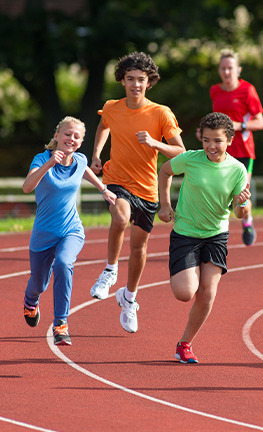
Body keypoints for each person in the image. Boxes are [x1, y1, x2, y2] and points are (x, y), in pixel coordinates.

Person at [89, 52, 185, 333]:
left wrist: (156, 143)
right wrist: (96, 154)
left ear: (149, 83)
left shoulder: (160, 113)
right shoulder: (112, 107)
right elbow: (103, 125)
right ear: (122, 81)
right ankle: (109, 271)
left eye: (140, 80)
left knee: (139, 248)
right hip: (117, 180)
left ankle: (129, 297)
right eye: (130, 79)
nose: (135, 85)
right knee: (119, 217)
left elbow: (181, 151)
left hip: (148, 189)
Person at [158, 112, 251, 363]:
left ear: (229, 141)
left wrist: (243, 205)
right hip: (186, 233)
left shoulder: (237, 170)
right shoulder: (189, 159)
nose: (211, 146)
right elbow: (165, 172)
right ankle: (189, 273)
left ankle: (185, 344)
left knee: (207, 293)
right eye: (207, 140)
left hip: (216, 235)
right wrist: (165, 204)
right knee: (185, 292)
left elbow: (240, 213)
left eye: (218, 141)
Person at [22, 117, 117, 346]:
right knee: (39, 283)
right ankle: (30, 300)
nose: (71, 139)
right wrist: (49, 165)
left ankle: (61, 324)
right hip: (44, 233)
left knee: (64, 263)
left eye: (77, 137)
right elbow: (27, 187)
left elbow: (84, 170)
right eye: (67, 134)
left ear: (81, 142)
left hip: (71, 230)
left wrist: (103, 189)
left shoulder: (80, 160)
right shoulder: (42, 159)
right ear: (57, 135)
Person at [208, 49, 263, 246]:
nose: (226, 72)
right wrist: (206, 133)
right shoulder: (215, 90)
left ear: (238, 70)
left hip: (243, 151)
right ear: (219, 71)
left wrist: (238, 126)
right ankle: (215, 234)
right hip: (220, 151)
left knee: (240, 194)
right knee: (217, 192)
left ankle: (247, 221)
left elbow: (260, 122)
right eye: (223, 68)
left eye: (230, 68)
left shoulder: (247, 90)